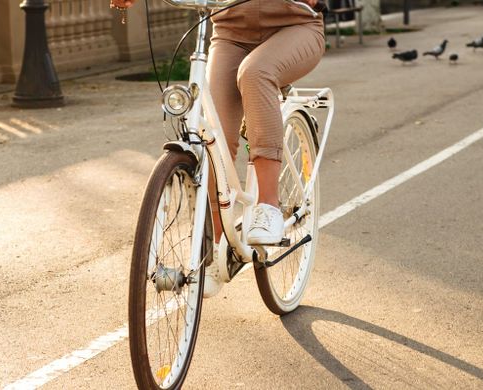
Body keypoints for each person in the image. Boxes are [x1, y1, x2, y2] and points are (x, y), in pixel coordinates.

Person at [112, 0, 325, 296]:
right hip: (230, 33)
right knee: (214, 141)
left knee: (255, 72)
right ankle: (216, 250)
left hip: (294, 25)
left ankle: (268, 207)